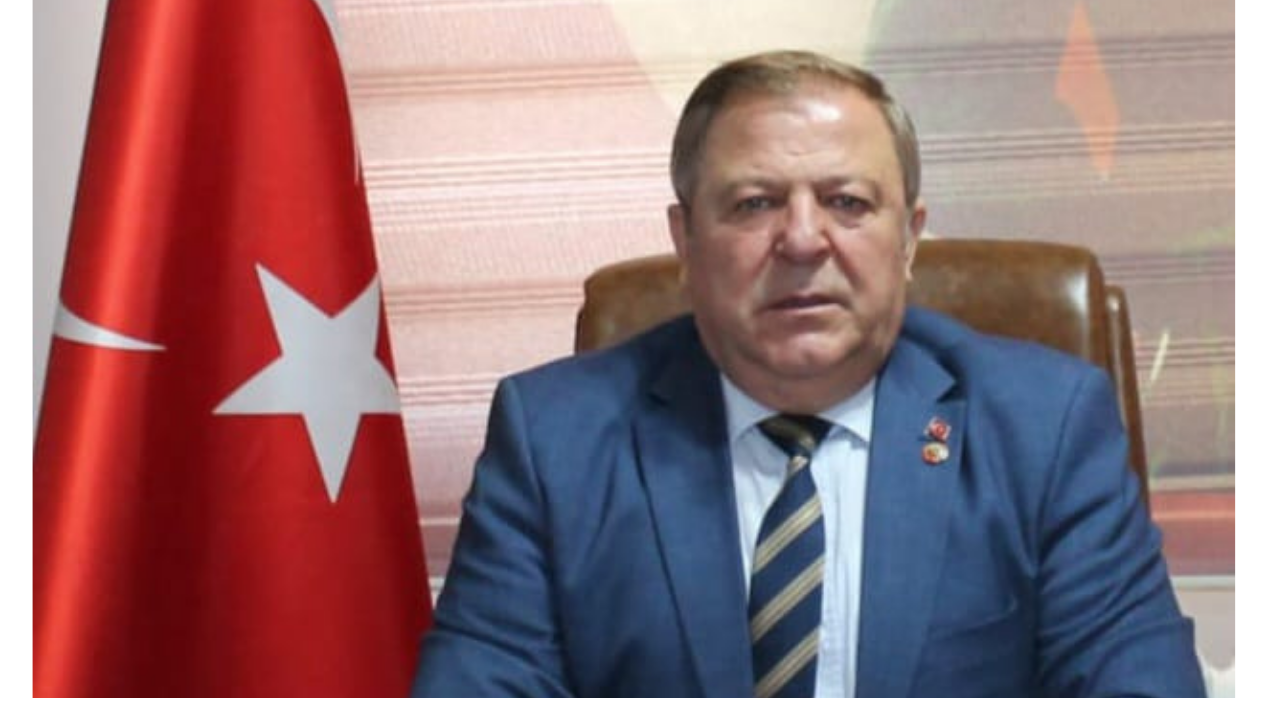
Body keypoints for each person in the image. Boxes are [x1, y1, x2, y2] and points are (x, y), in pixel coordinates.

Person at [410, 50, 1205, 697]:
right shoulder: (555, 441)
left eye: (847, 202)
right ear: (686, 242)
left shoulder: (1044, 428)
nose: (801, 240)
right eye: (754, 203)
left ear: (909, 238)